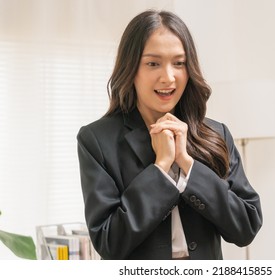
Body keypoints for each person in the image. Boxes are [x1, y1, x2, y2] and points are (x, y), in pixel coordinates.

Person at [77, 9, 262, 260]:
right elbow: (109, 241)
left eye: (179, 63)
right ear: (131, 69)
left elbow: (246, 226)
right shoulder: (97, 140)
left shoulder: (216, 133)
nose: (168, 77)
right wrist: (161, 167)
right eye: (153, 63)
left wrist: (187, 164)